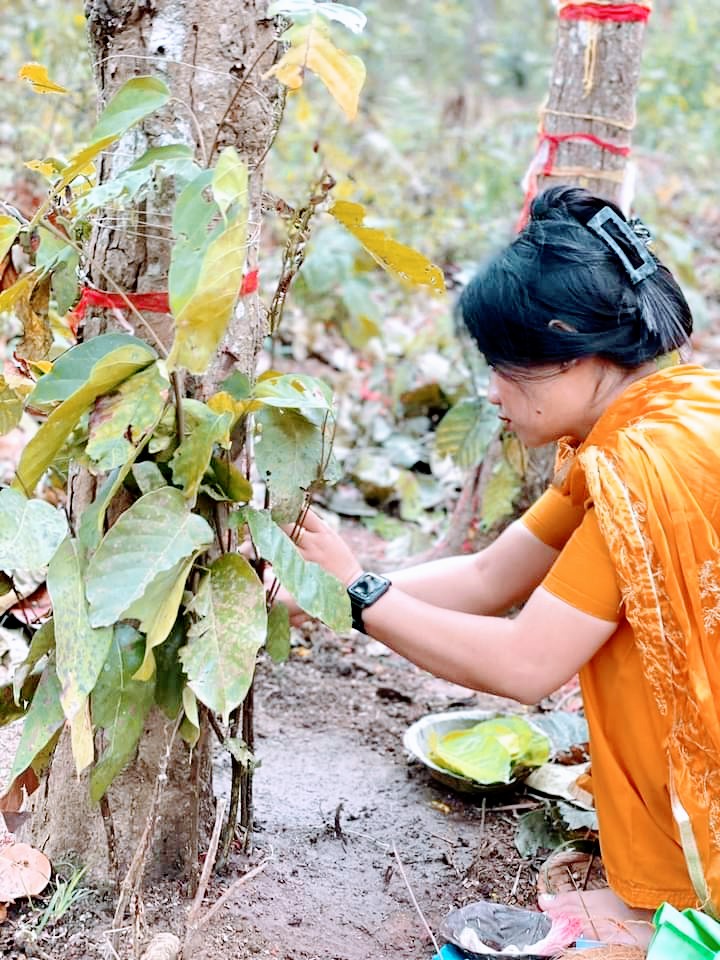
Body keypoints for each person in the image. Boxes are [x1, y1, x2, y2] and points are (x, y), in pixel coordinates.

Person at [281, 185, 720, 947]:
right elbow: (490, 577)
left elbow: (526, 665)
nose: (495, 392)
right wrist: (323, 591)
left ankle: (681, 894)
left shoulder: (644, 464)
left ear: (576, 356)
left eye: (508, 370)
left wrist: (361, 591)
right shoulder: (672, 409)